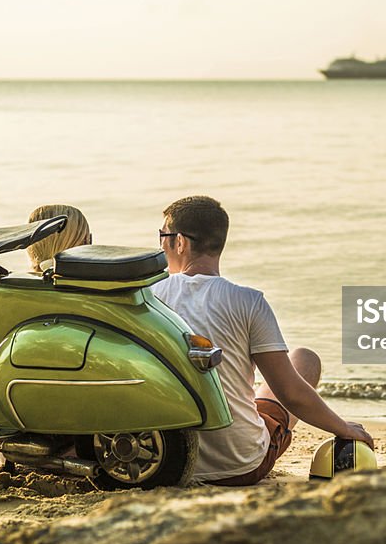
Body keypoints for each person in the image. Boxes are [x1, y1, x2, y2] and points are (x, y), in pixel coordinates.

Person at [152, 196, 373, 486]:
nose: (161, 244)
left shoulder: (147, 295)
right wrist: (344, 429)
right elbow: (290, 392)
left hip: (161, 463)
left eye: (162, 237)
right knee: (305, 359)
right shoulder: (248, 301)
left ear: (179, 242)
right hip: (236, 466)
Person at [0, 204, 91, 345]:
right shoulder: (95, 294)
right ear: (82, 244)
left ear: (31, 244)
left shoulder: (8, 295)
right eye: (87, 240)